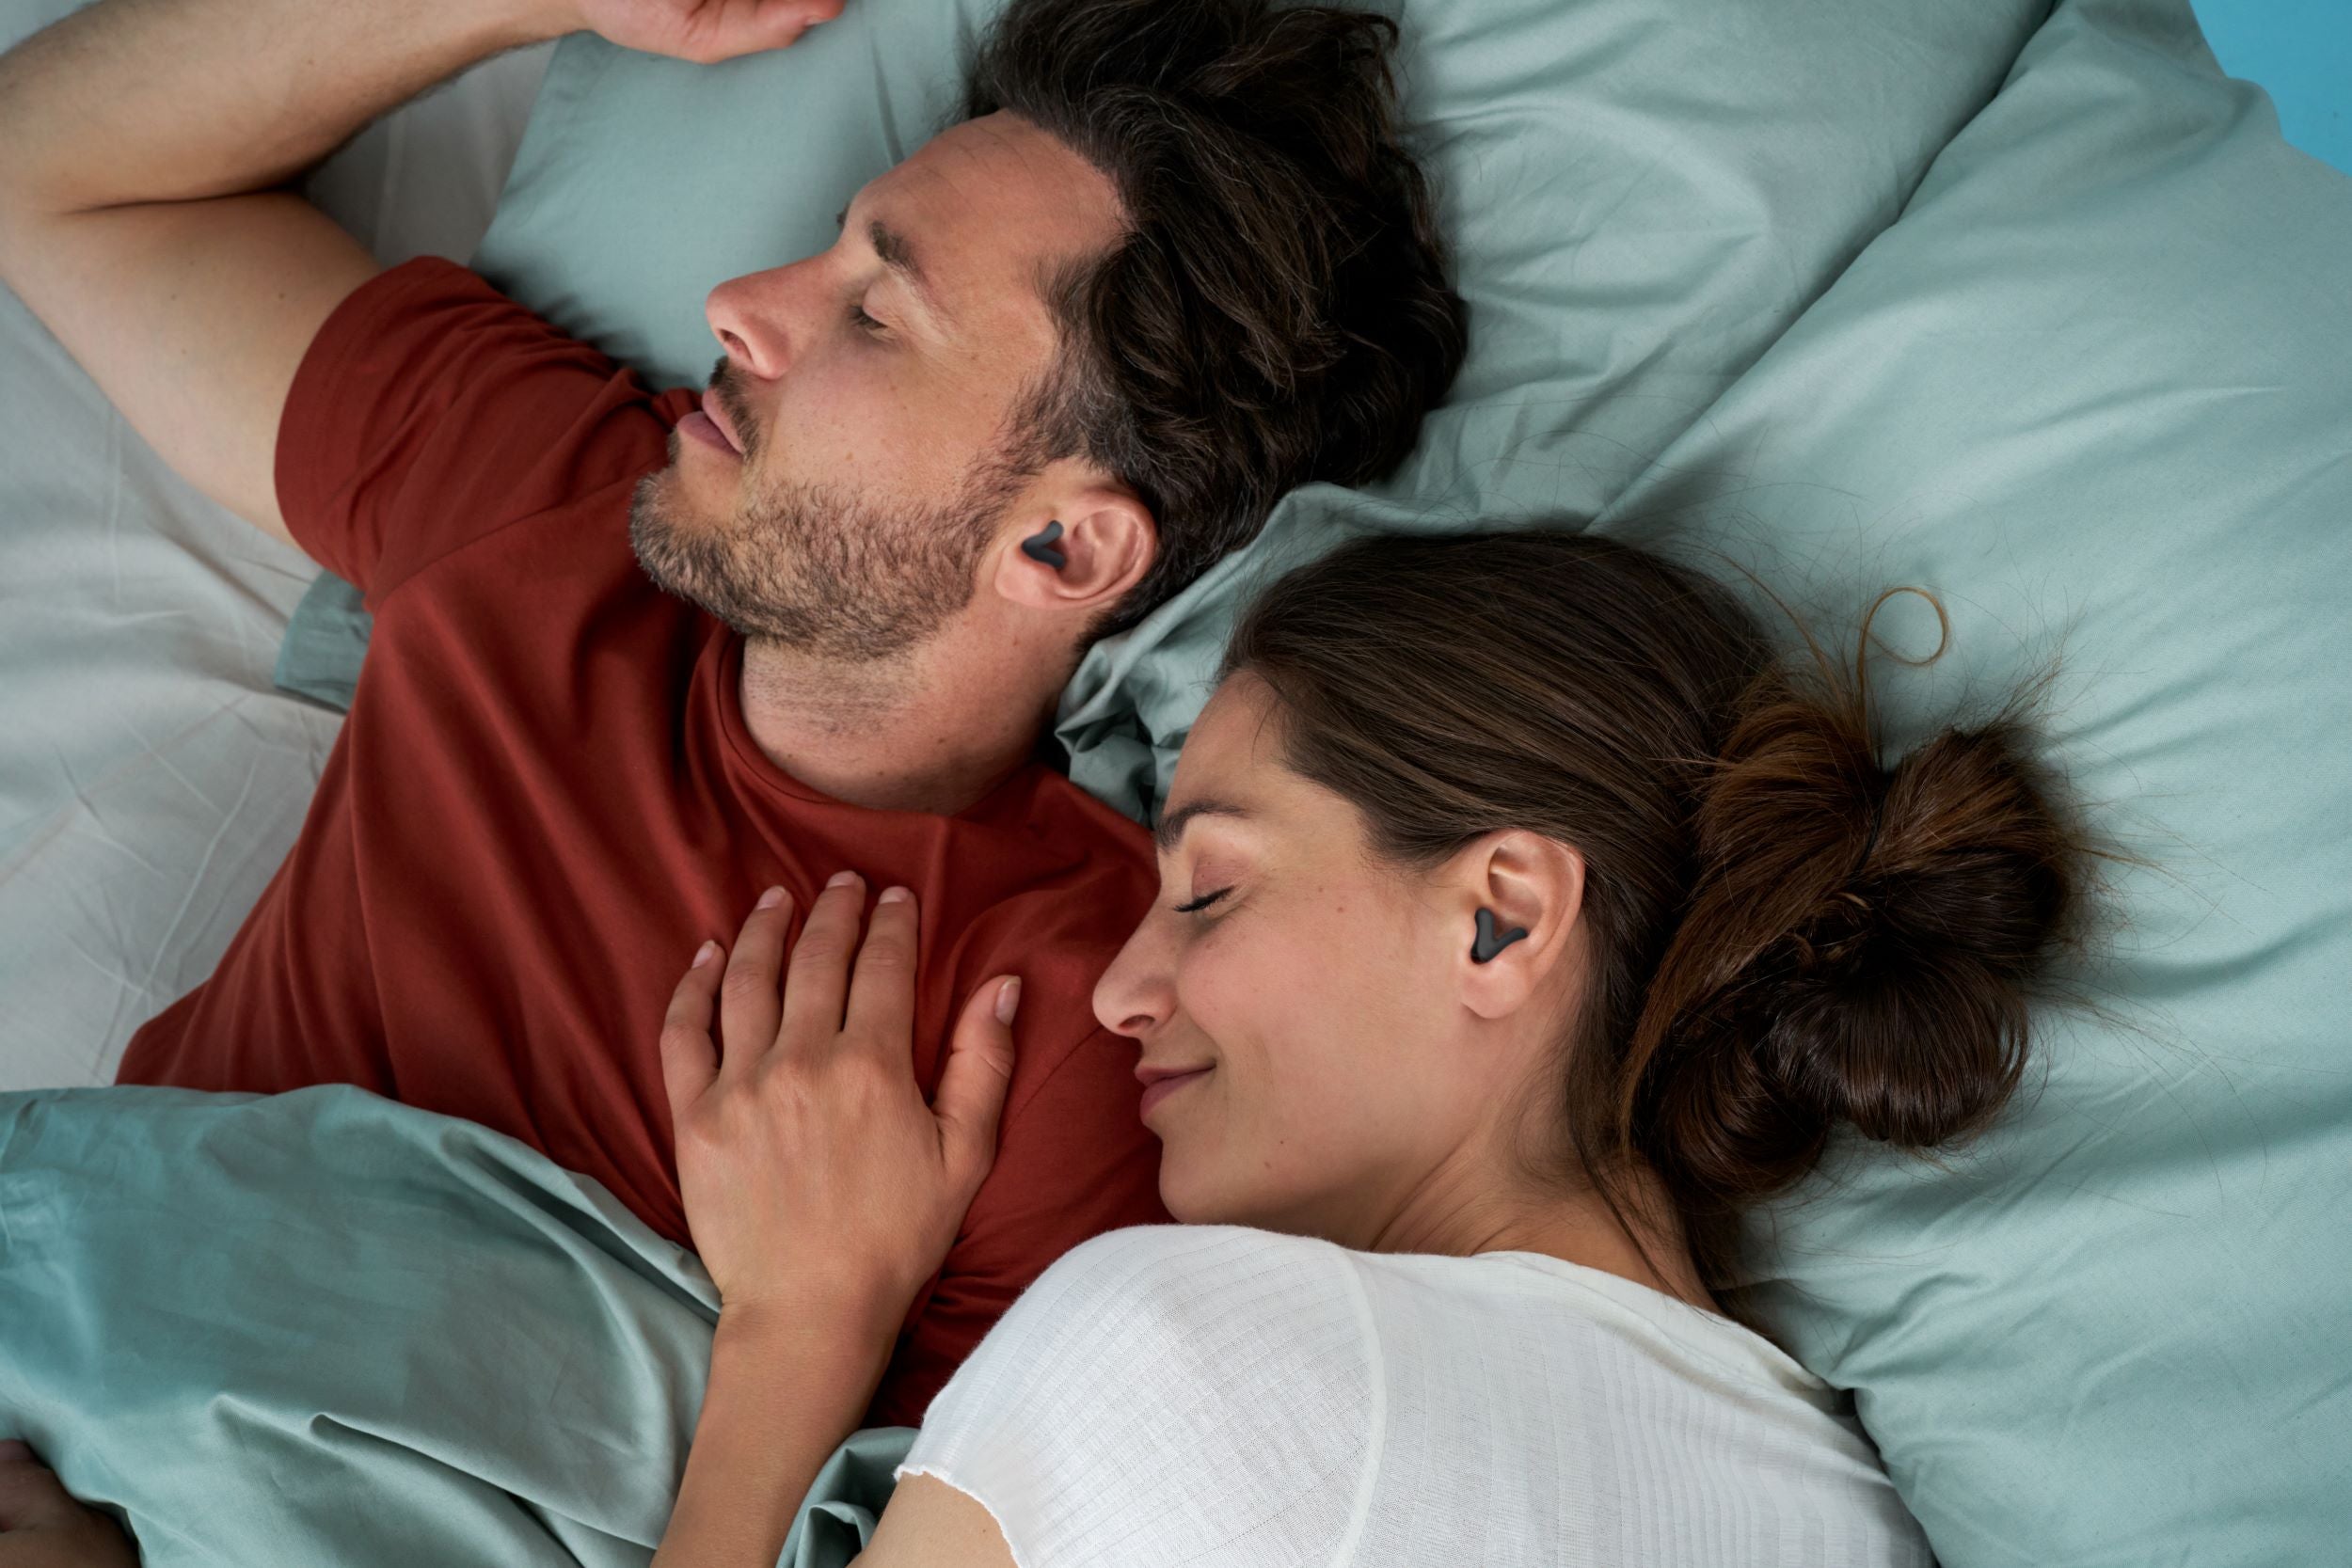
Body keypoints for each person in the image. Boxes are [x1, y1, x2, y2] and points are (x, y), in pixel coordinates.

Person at [0, 531, 2089, 1561]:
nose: (1117, 987)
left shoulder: (1190, 1353)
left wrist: (796, 1337)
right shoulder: (1830, 1498)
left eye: (1211, 885)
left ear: (1500, 911)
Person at [0, 0, 1466, 1424]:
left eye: (874, 313)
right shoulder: (548, 502)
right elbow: (50, 157)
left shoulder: (1074, 1034)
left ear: (1061, 548)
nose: (739, 305)